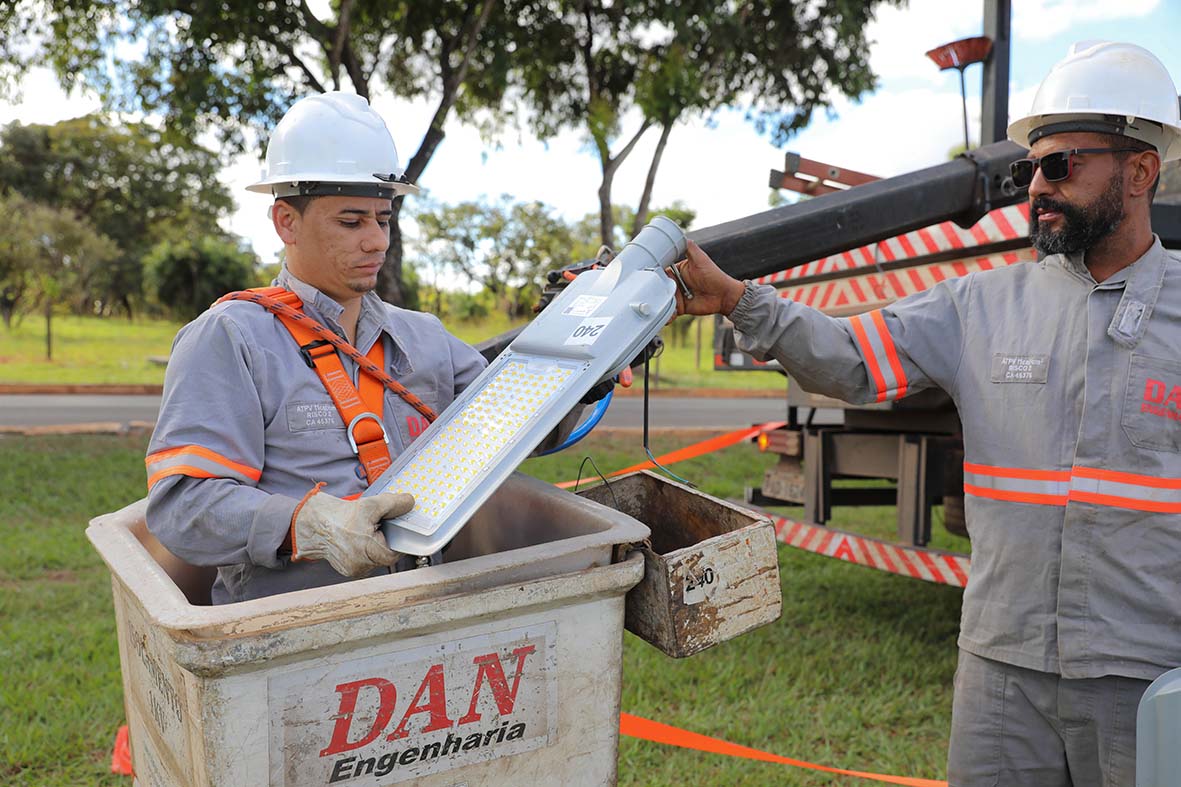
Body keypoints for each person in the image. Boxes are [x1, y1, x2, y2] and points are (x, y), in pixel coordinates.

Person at [671, 41, 1181, 787]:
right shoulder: (978, 305)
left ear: (1139, 171)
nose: (1035, 185)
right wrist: (742, 302)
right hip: (1000, 668)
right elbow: (849, 356)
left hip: (1143, 671)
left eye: (1059, 165)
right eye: (1026, 168)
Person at [145, 92, 586, 604]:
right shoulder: (231, 338)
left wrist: (590, 355)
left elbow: (530, 427)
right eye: (351, 222)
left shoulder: (424, 337)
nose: (377, 242)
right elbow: (183, 508)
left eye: (384, 220)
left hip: (424, 615)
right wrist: (306, 524)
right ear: (286, 221)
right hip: (287, 634)